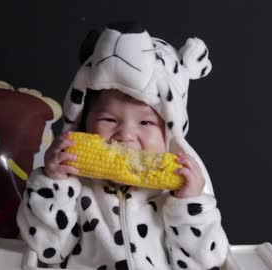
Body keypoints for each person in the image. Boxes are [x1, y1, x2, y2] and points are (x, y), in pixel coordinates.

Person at [17, 21, 229, 270]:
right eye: (109, 119)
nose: (126, 134)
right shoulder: (74, 186)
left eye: (146, 122)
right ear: (84, 124)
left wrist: (188, 204)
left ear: (169, 135)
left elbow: (204, 262)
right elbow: (47, 250)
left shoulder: (176, 194)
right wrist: (53, 183)